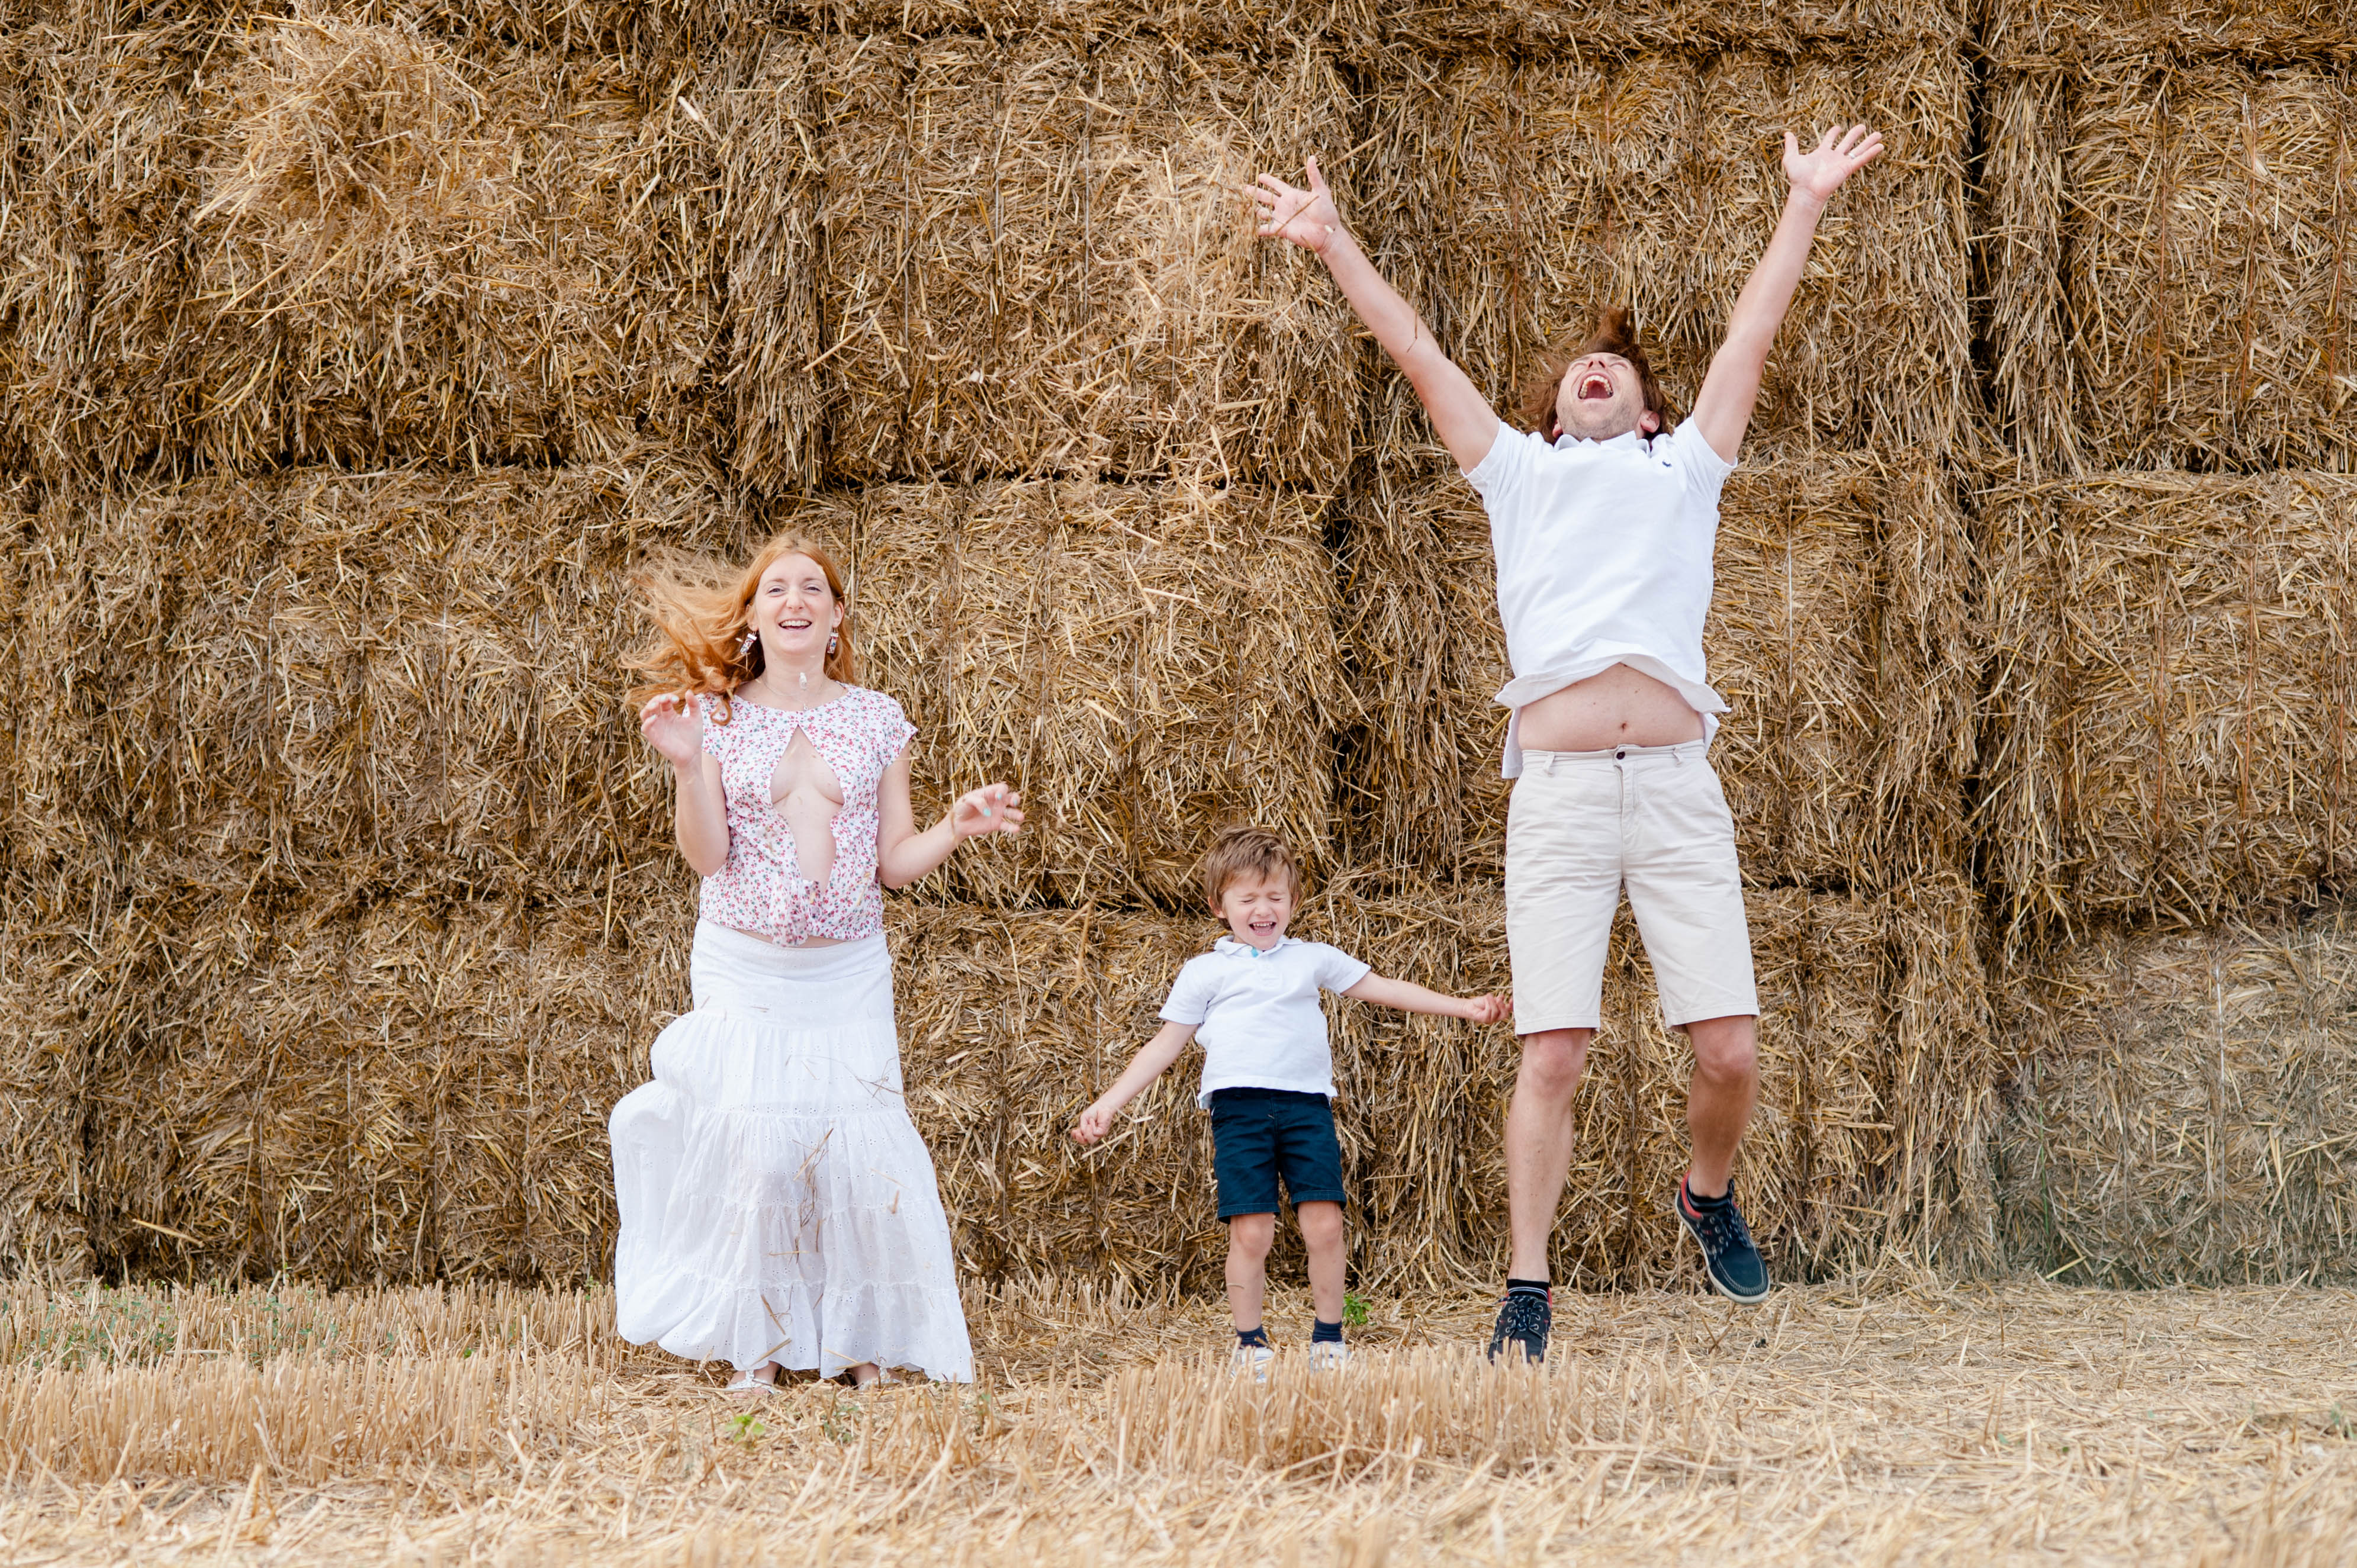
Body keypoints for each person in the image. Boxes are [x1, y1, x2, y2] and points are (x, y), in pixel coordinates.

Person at [1251, 124, 1885, 1358]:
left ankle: (1705, 1194)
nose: (1596, 369)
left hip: (1672, 785)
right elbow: (1415, 349)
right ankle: (1526, 1288)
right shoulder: (1517, 477)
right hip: (1556, 791)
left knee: (1730, 1048)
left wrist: (1803, 203)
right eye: (1579, 366)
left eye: (1617, 364)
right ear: (1553, 406)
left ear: (1650, 404)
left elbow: (1751, 335)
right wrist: (1332, 244)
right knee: (1553, 1047)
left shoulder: (1686, 469)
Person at [610, 531, 1022, 1393]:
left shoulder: (877, 717)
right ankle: (757, 1345)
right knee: (759, 1155)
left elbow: (892, 861)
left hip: (846, 968)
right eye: (775, 589)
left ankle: (858, 1342)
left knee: (855, 1157)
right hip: (745, 961)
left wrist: (956, 825)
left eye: (812, 589)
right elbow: (707, 857)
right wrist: (688, 769)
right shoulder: (715, 718)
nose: (793, 600)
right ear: (755, 617)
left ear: (836, 617)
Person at [1070, 826, 1506, 1377]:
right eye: (1247, 897)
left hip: (1306, 1109)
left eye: (1275, 896)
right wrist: (1110, 1102)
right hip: (1239, 1111)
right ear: (1218, 905)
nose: (1263, 909)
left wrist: (1462, 1007)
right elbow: (1165, 1045)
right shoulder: (1205, 971)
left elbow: (1387, 988)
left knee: (1324, 1225)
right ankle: (1250, 1343)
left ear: (1293, 902)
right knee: (1253, 1232)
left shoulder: (1313, 959)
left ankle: (1329, 1339)